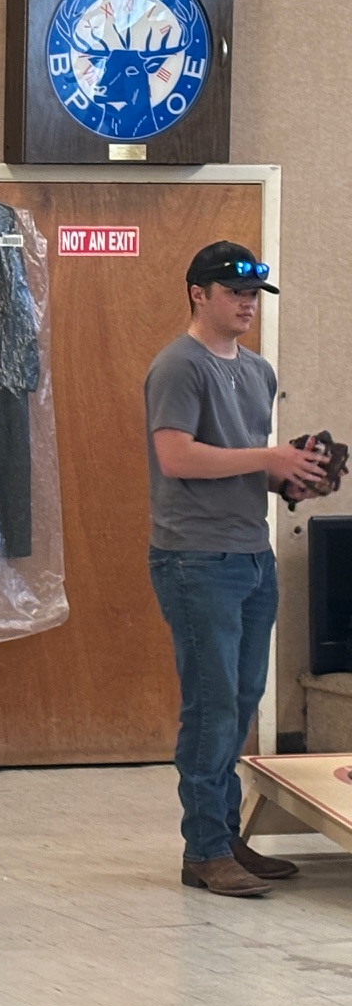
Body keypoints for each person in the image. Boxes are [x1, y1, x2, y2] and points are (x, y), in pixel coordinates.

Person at [146, 242, 328, 897]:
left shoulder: (257, 371)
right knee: (211, 708)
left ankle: (224, 837)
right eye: (233, 292)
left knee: (241, 705)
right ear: (198, 293)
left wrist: (293, 479)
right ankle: (203, 853)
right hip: (195, 560)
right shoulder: (177, 366)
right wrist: (267, 457)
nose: (247, 304)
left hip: (251, 555)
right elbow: (178, 459)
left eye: (253, 294)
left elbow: (253, 463)